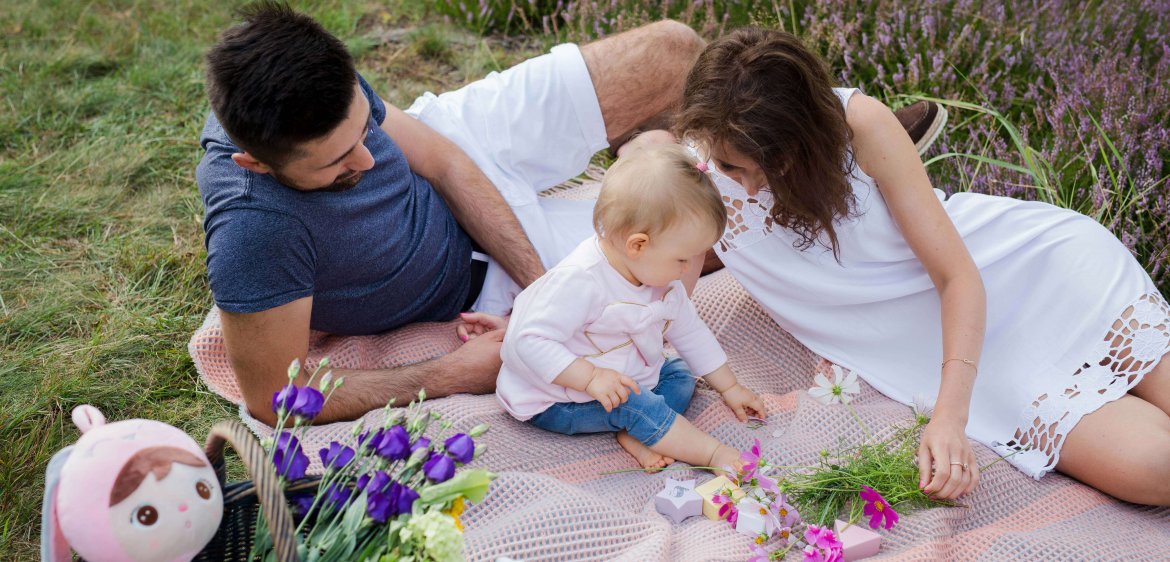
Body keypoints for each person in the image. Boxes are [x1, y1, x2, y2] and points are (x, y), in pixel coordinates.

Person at [195, 3, 944, 427]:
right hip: (464, 277)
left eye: (366, 131)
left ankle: (833, 132)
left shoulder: (322, 92)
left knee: (673, 51)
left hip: (469, 140)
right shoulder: (256, 233)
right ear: (256, 164)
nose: (366, 162)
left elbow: (449, 161)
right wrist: (461, 369)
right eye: (337, 164)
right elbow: (274, 394)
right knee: (677, 251)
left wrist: (546, 281)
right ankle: (793, 178)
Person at [658, 27, 1170, 505]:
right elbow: (662, 283)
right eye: (731, 167)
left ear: (808, 135)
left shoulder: (860, 124)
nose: (747, 186)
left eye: (770, 164)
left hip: (1025, 270)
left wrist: (949, 417)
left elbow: (957, 276)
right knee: (1155, 467)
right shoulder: (697, 164)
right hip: (928, 347)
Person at [486, 144, 766, 471]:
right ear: (638, 245)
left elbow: (690, 331)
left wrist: (730, 387)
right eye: (682, 258)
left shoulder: (661, 279)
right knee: (635, 403)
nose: (689, 267)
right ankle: (711, 453)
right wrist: (590, 378)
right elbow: (527, 340)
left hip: (621, 372)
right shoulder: (581, 282)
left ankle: (639, 433)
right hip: (557, 396)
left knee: (679, 376)